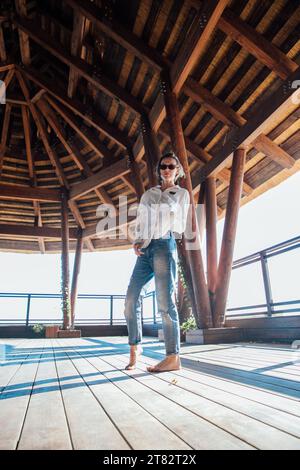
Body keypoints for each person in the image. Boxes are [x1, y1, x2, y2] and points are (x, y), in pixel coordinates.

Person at [123, 151, 190, 372]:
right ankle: (135, 347)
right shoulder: (148, 194)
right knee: (131, 299)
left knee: (164, 303)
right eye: (163, 167)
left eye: (171, 167)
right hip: (146, 248)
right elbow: (142, 221)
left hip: (164, 245)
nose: (167, 170)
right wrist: (137, 241)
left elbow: (180, 227)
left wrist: (168, 203)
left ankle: (173, 357)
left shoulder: (181, 194)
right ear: (159, 170)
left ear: (177, 171)